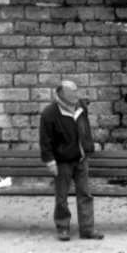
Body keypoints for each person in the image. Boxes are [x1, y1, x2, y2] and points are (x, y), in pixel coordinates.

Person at [39, 80, 103, 241]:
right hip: (62, 161)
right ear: (61, 95)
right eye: (72, 92)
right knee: (61, 197)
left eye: (76, 91)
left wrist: (89, 145)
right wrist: (50, 162)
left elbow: (85, 127)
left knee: (85, 194)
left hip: (81, 159)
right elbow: (45, 141)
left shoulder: (80, 106)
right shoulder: (49, 113)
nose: (76, 95)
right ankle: (63, 228)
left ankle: (87, 229)